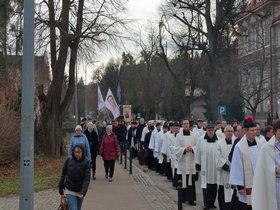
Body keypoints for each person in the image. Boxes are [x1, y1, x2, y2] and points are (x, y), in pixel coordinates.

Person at [229, 116, 262, 209]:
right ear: (246, 131)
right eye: (252, 130)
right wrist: (240, 187)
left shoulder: (260, 144)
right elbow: (237, 167)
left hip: (258, 182)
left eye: (255, 130)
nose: (255, 132)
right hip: (246, 184)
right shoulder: (239, 146)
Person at [252, 119, 280, 210]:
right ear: (275, 131)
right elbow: (261, 169)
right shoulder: (266, 148)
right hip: (274, 184)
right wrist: (275, 169)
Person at [59, 144, 91, 210]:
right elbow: (63, 174)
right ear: (73, 152)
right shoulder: (69, 160)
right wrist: (60, 186)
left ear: (82, 152)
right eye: (76, 152)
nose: (77, 154)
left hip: (80, 192)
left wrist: (83, 192)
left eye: (79, 152)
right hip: (70, 190)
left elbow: (86, 179)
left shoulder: (87, 163)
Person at [195, 123, 219, 210]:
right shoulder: (201, 140)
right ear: (206, 130)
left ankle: (211, 203)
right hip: (205, 167)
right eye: (209, 130)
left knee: (214, 186)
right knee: (206, 186)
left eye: (212, 130)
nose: (211, 132)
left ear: (214, 131)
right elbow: (197, 152)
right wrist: (197, 165)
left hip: (215, 167)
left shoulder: (218, 140)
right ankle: (206, 203)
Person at [174, 119, 197, 206]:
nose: (186, 125)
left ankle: (191, 199)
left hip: (191, 162)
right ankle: (182, 198)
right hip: (183, 162)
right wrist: (184, 149)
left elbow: (197, 147)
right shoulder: (178, 136)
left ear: (189, 125)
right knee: (182, 181)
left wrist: (193, 149)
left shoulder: (193, 135)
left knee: (191, 181)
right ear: (182, 125)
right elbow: (175, 148)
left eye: (187, 123)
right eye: (184, 124)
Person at [216, 125, 234, 210]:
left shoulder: (236, 142)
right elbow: (217, 157)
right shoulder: (219, 143)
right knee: (223, 192)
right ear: (225, 133)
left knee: (233, 192)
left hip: (234, 172)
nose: (230, 133)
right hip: (224, 172)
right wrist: (227, 167)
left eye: (231, 131)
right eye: (228, 131)